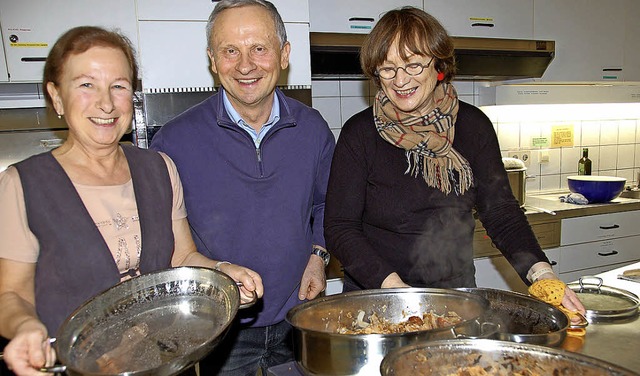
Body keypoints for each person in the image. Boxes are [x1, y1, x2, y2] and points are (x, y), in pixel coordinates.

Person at [0, 26, 263, 376]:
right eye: (86, 85)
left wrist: (223, 273)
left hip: (168, 362)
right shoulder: (23, 184)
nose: (106, 103)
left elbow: (182, 256)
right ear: (56, 96)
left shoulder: (158, 168)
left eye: (119, 86)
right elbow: (11, 294)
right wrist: (23, 327)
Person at [323, 7, 585, 315]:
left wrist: (543, 275)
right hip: (377, 298)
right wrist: (396, 290)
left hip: (454, 296)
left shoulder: (473, 127)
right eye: (388, 68)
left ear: (438, 65)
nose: (400, 80)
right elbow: (340, 227)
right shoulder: (360, 133)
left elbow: (501, 213)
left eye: (413, 65)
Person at [149, 0, 335, 374]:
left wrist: (319, 256)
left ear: (284, 55)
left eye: (259, 49)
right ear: (212, 60)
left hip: (299, 316)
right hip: (218, 330)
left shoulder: (313, 129)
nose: (246, 65)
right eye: (230, 51)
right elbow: (163, 244)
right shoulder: (172, 141)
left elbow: (327, 206)